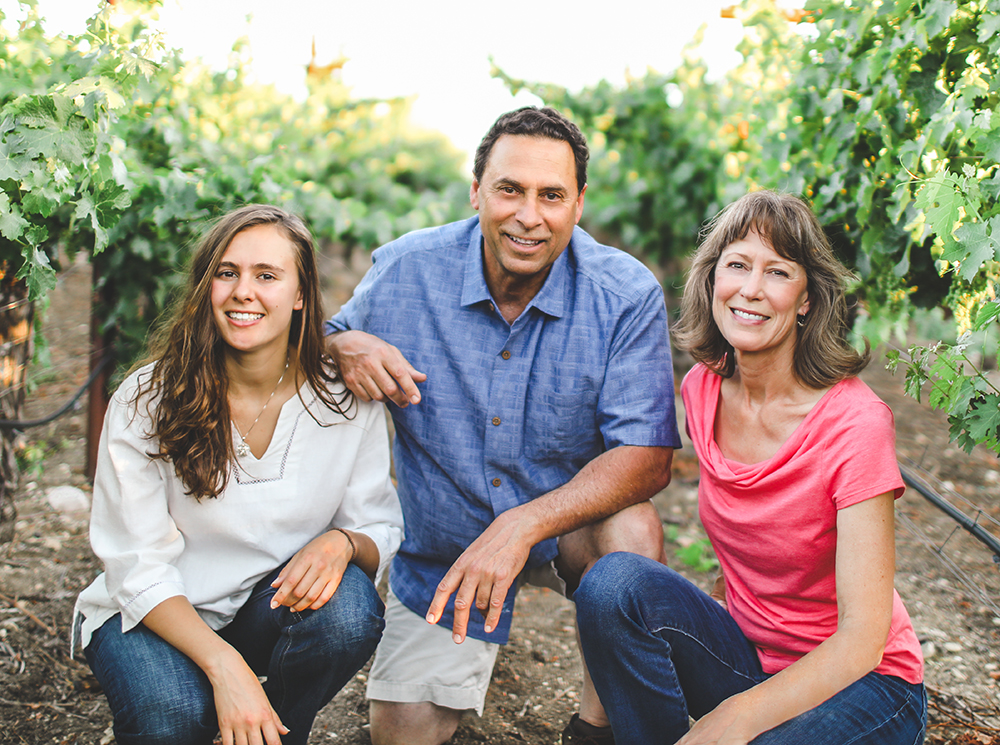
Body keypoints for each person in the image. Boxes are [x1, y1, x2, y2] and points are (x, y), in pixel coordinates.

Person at [325, 106, 682, 745]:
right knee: (399, 737)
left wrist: (523, 525)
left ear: (578, 204)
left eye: (551, 195)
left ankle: (597, 723)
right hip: (446, 545)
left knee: (631, 528)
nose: (528, 215)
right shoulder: (409, 270)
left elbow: (647, 456)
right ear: (476, 191)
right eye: (509, 189)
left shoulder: (624, 293)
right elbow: (318, 339)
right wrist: (341, 345)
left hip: (566, 526)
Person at [575, 190, 927, 744]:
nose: (751, 289)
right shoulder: (702, 390)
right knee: (613, 584)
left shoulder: (855, 424)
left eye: (779, 272)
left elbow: (864, 639)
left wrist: (735, 718)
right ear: (714, 280)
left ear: (807, 298)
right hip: (753, 660)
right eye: (737, 265)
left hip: (865, 685)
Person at [74, 204, 404, 745]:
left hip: (264, 609)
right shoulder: (148, 397)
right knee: (175, 721)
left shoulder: (346, 400)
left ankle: (276, 732)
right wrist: (227, 669)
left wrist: (344, 542)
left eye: (267, 276)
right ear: (207, 286)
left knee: (348, 611)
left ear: (300, 294)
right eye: (226, 273)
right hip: (154, 614)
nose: (242, 291)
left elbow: (379, 524)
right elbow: (135, 565)